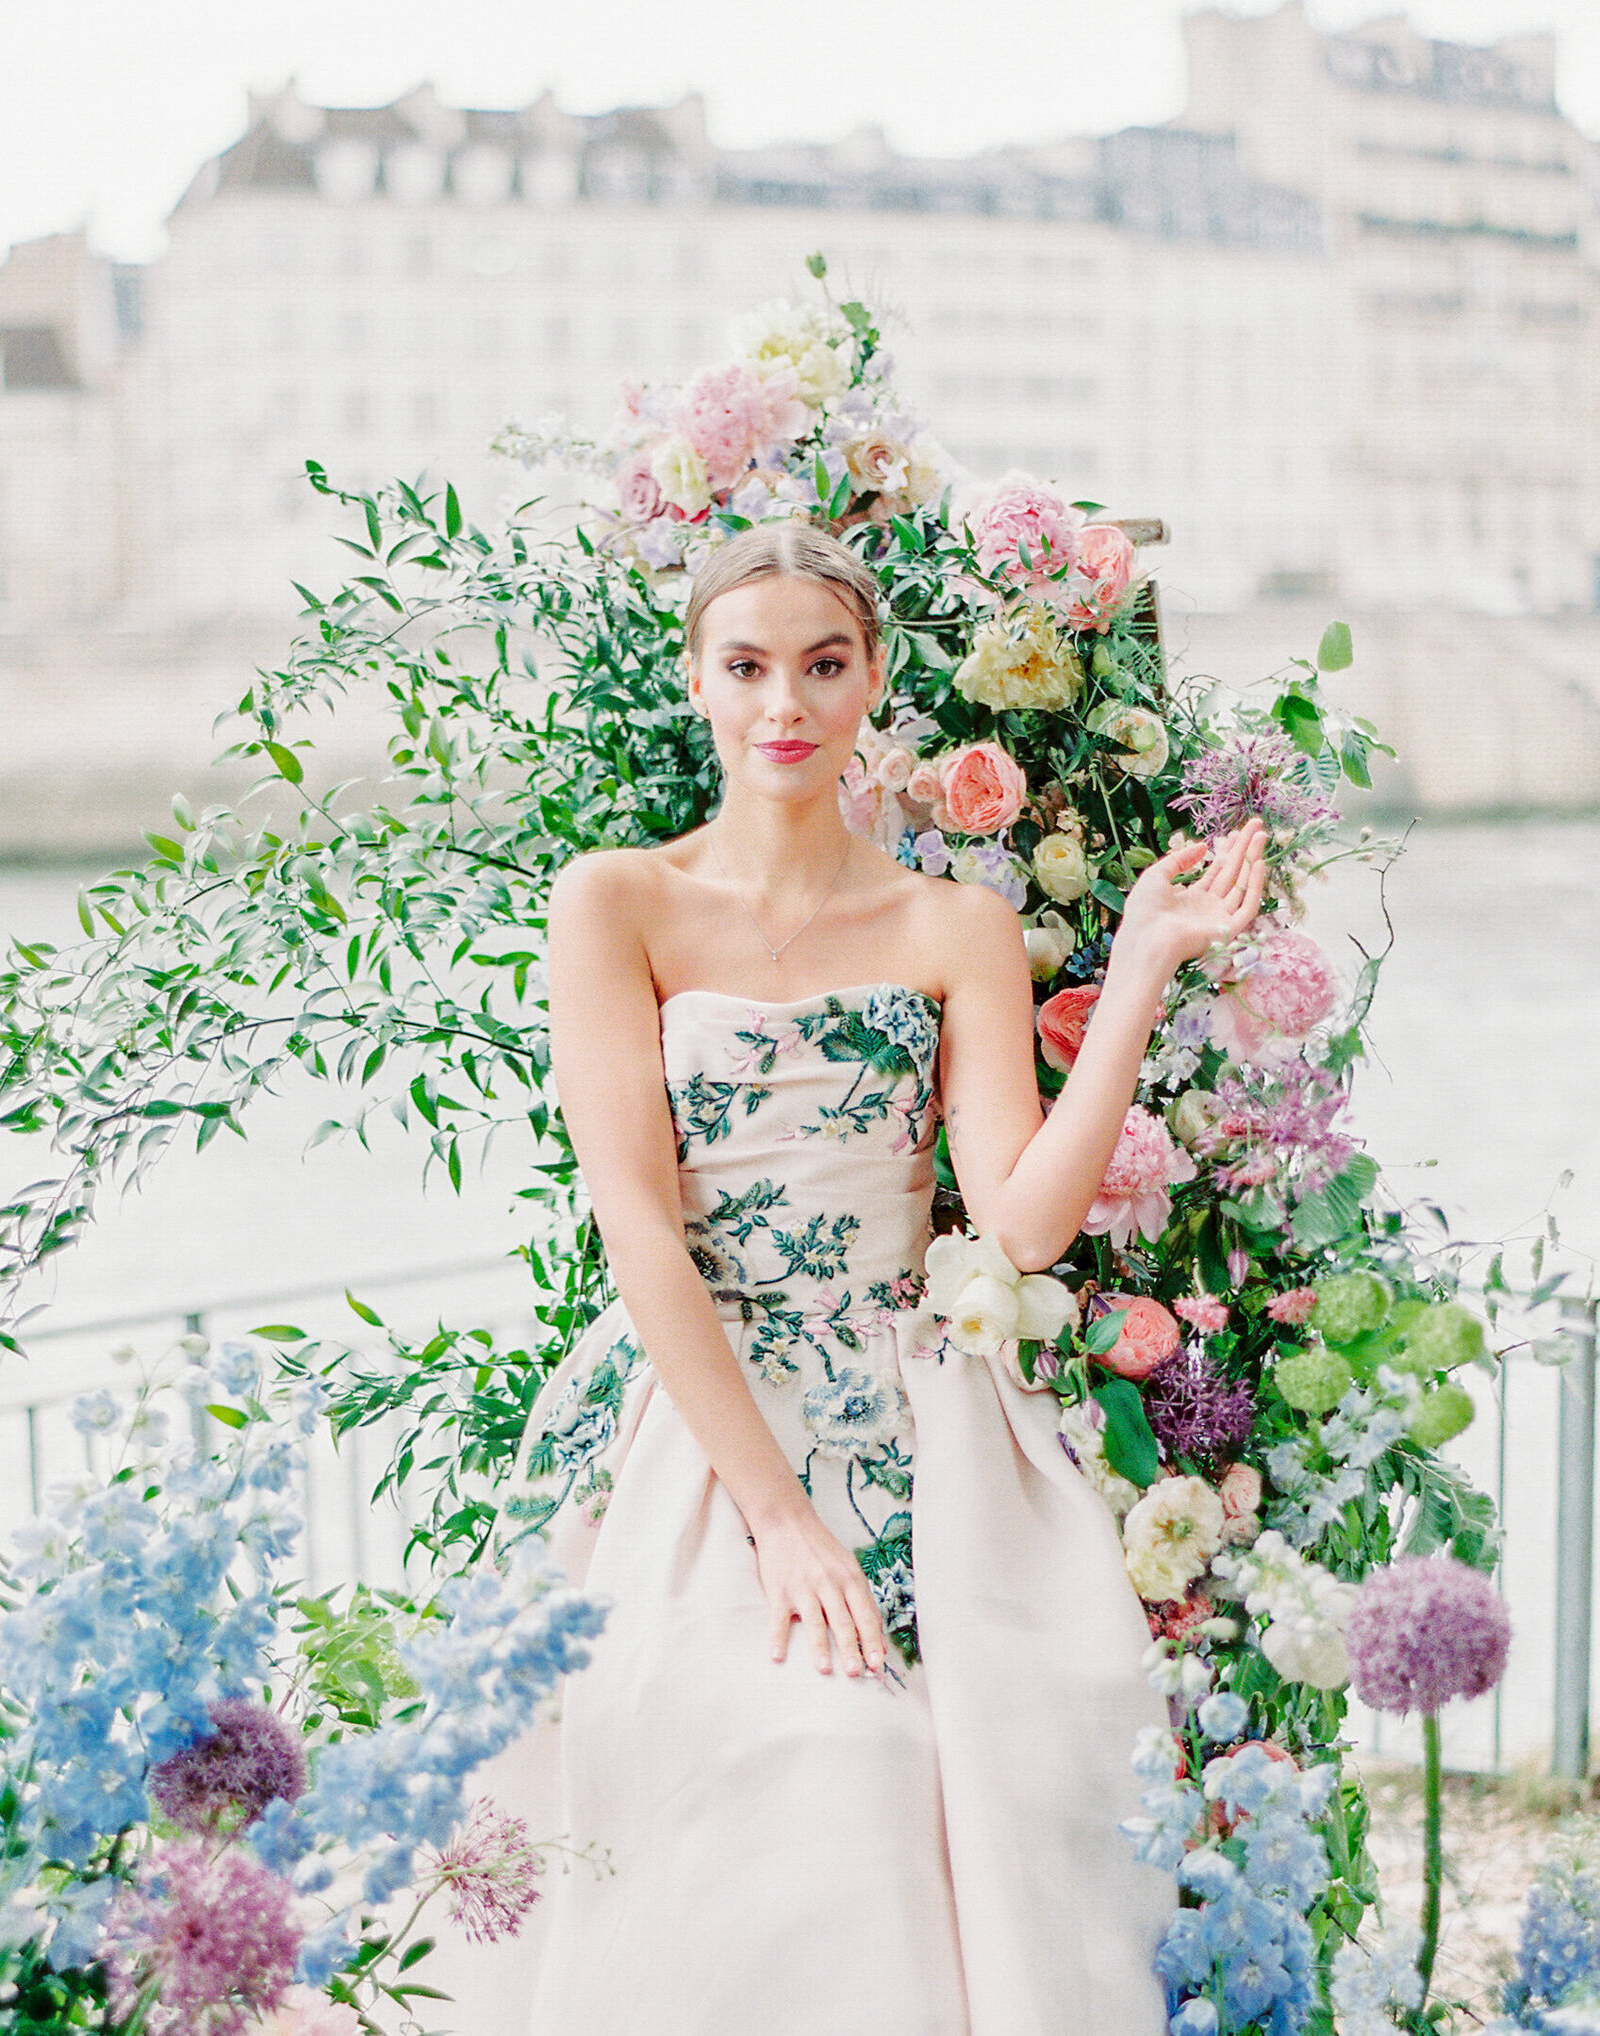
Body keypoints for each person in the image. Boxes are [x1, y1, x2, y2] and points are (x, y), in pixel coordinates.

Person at [468, 520, 1266, 2036]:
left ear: (873, 682)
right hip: (703, 1424)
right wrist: (777, 1519)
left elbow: (1019, 1224)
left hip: (911, 1416)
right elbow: (637, 1222)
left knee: (963, 1766)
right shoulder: (616, 902)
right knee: (787, 1759)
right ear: (698, 679)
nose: (787, 703)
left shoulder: (953, 924)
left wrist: (1143, 964)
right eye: (750, 665)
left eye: (823, 666)